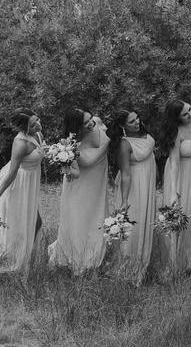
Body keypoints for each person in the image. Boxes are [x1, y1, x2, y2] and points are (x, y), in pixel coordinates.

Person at [48, 108, 110, 275]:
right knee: (80, 220)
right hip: (80, 187)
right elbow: (74, 173)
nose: (90, 123)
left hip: (98, 184)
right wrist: (65, 167)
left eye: (90, 119)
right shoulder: (70, 145)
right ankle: (79, 260)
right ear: (76, 126)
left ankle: (96, 258)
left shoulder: (98, 123)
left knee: (97, 218)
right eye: (85, 122)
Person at [0, 109, 45, 276]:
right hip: (18, 186)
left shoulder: (38, 134)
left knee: (35, 223)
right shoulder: (20, 143)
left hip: (30, 184)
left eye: (37, 120)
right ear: (23, 128)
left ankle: (24, 263)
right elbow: (12, 173)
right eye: (32, 124)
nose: (38, 124)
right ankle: (0, 265)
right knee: (17, 225)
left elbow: (39, 154)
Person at [160, 100, 191, 276]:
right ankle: (179, 261)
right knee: (185, 212)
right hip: (183, 174)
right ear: (177, 118)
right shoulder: (176, 132)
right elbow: (174, 163)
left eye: (190, 109)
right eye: (185, 114)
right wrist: (174, 190)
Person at [109, 109, 157, 285]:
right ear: (123, 125)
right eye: (131, 121)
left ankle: (142, 267)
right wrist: (124, 200)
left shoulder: (143, 133)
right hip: (135, 187)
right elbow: (126, 174)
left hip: (147, 183)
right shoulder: (124, 144)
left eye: (137, 118)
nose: (137, 122)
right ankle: (127, 272)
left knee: (145, 222)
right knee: (134, 228)